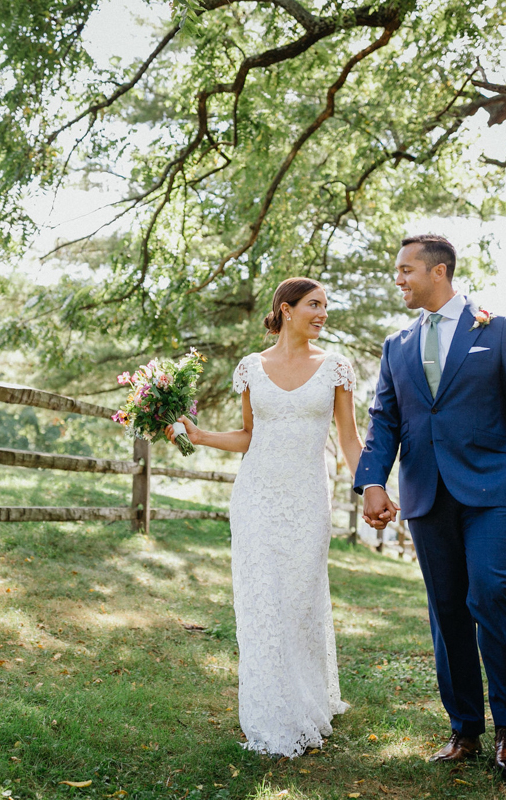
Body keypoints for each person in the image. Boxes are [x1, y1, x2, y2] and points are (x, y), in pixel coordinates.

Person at [354, 234, 506, 780]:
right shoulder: (397, 345)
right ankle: (464, 728)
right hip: (426, 495)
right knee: (446, 612)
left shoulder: (499, 329)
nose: (397, 278)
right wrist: (371, 482)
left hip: (491, 491)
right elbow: (385, 422)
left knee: (491, 594)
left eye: (405, 270)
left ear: (438, 271)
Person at [166, 277, 370, 758]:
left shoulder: (336, 368)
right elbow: (248, 435)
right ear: (286, 309)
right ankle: (270, 714)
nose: (322, 313)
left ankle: (307, 702)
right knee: (262, 603)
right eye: (314, 305)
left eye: (325, 306)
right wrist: (200, 436)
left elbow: (349, 440)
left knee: (299, 601)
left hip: (306, 499)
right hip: (256, 496)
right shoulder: (250, 368)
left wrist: (373, 489)